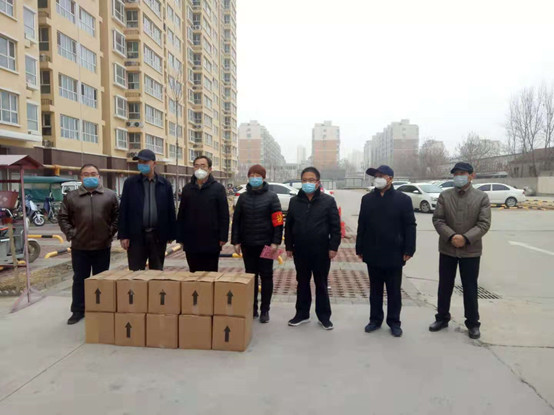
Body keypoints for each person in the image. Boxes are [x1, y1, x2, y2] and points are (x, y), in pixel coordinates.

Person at [430, 162, 491, 339]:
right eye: (456, 174)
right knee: (444, 285)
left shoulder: (481, 198)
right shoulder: (445, 196)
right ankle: (442, 318)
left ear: (472, 175)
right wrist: (451, 236)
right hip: (447, 249)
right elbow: (438, 220)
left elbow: (484, 223)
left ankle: (473, 323)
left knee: (470, 287)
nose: (459, 176)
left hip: (471, 250)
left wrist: (465, 238)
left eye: (462, 173)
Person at [356, 165, 416, 337]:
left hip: (394, 252)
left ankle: (394, 322)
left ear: (390, 178)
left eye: (381, 176)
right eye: (376, 176)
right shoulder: (367, 199)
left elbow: (410, 225)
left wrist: (409, 248)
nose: (378, 179)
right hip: (372, 251)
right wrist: (360, 247)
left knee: (394, 291)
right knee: (375, 290)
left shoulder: (403, 199)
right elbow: (362, 224)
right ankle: (375, 320)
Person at [58, 164, 119, 324]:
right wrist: (72, 233)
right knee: (79, 279)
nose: (90, 177)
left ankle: (101, 308)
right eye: (86, 174)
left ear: (99, 176)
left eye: (93, 174)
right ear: (80, 177)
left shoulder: (110, 195)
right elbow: (63, 217)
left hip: (102, 245)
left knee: (101, 280)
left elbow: (117, 216)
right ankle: (78, 310)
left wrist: (110, 232)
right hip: (80, 246)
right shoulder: (71, 197)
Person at [285, 167, 341, 330]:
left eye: (311, 180)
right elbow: (289, 226)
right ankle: (302, 314)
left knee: (321, 283)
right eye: (304, 180)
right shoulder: (294, 202)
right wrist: (289, 246)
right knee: (302, 282)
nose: (307, 183)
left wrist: (333, 247)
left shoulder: (328, 201)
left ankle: (324, 316)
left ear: (318, 182)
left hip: (321, 251)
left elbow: (335, 227)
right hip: (300, 250)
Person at [232, 164, 283, 323]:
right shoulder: (243, 198)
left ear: (263, 178)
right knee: (250, 276)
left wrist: (275, 242)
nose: (254, 178)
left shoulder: (272, 197)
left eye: (257, 176)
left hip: (267, 244)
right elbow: (236, 221)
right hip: (248, 244)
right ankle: (252, 307)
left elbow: (278, 222)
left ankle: (265, 310)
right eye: (252, 175)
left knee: (267, 276)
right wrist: (236, 241)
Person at [118, 149, 176, 271]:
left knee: (156, 271)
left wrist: (171, 233)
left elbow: (170, 210)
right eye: (140, 162)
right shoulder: (130, 184)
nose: (142, 165)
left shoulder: (165, 184)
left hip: (158, 236)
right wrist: (123, 235)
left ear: (154, 163)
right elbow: (123, 210)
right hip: (136, 236)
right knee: (135, 272)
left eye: (145, 162)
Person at [177, 155, 229, 272]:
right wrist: (180, 237)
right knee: (193, 272)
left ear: (210, 169)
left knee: (210, 273)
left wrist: (223, 236)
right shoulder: (187, 189)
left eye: (203, 166)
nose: (199, 169)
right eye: (196, 166)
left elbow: (224, 214)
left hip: (211, 240)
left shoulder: (218, 189)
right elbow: (181, 214)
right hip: (191, 240)